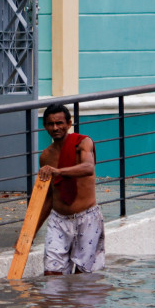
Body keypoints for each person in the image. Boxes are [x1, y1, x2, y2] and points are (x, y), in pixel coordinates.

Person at [36, 103, 106, 276]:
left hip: (87, 217)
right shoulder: (46, 156)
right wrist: (30, 233)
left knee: (83, 277)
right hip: (58, 221)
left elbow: (88, 167)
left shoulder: (83, 143)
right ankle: (58, 304)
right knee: (52, 274)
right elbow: (49, 197)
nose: (55, 128)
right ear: (45, 126)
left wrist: (58, 171)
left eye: (60, 123)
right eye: (51, 124)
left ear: (69, 123)